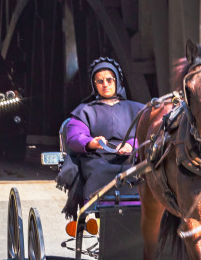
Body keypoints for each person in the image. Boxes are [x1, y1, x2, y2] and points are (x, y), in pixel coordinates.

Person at [61, 58, 144, 217]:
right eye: (100, 81)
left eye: (109, 80)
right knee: (98, 170)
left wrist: (132, 145)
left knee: (141, 171)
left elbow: (150, 134)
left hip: (131, 158)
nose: (105, 84)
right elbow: (74, 136)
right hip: (98, 158)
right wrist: (91, 142)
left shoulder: (137, 109)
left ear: (117, 81)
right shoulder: (85, 110)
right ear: (94, 85)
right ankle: (99, 212)